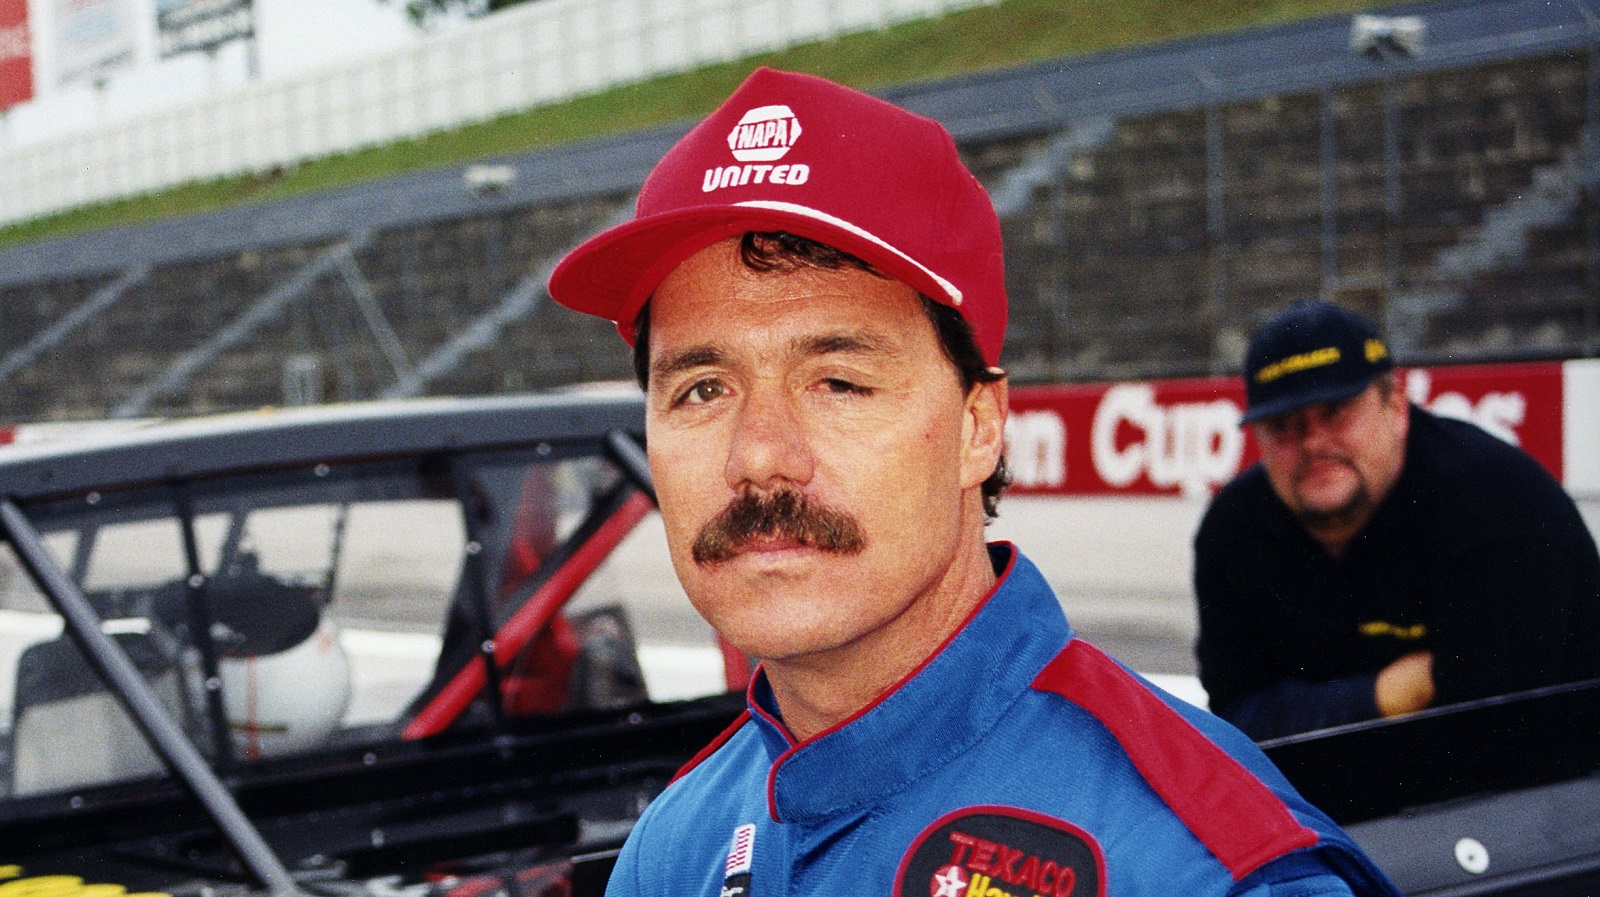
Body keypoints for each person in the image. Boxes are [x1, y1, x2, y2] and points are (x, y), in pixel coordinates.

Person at [549, 67, 1400, 897]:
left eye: (838, 382)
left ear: (979, 427)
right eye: (702, 389)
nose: (759, 455)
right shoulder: (674, 847)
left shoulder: (1200, 866)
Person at [1194, 301, 1600, 741]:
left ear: (1397, 407)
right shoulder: (1232, 528)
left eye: (1336, 410)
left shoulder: (1502, 507)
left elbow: (1494, 735)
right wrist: (1392, 692)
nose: (1312, 441)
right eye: (1282, 425)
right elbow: (1234, 722)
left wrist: (1310, 708)